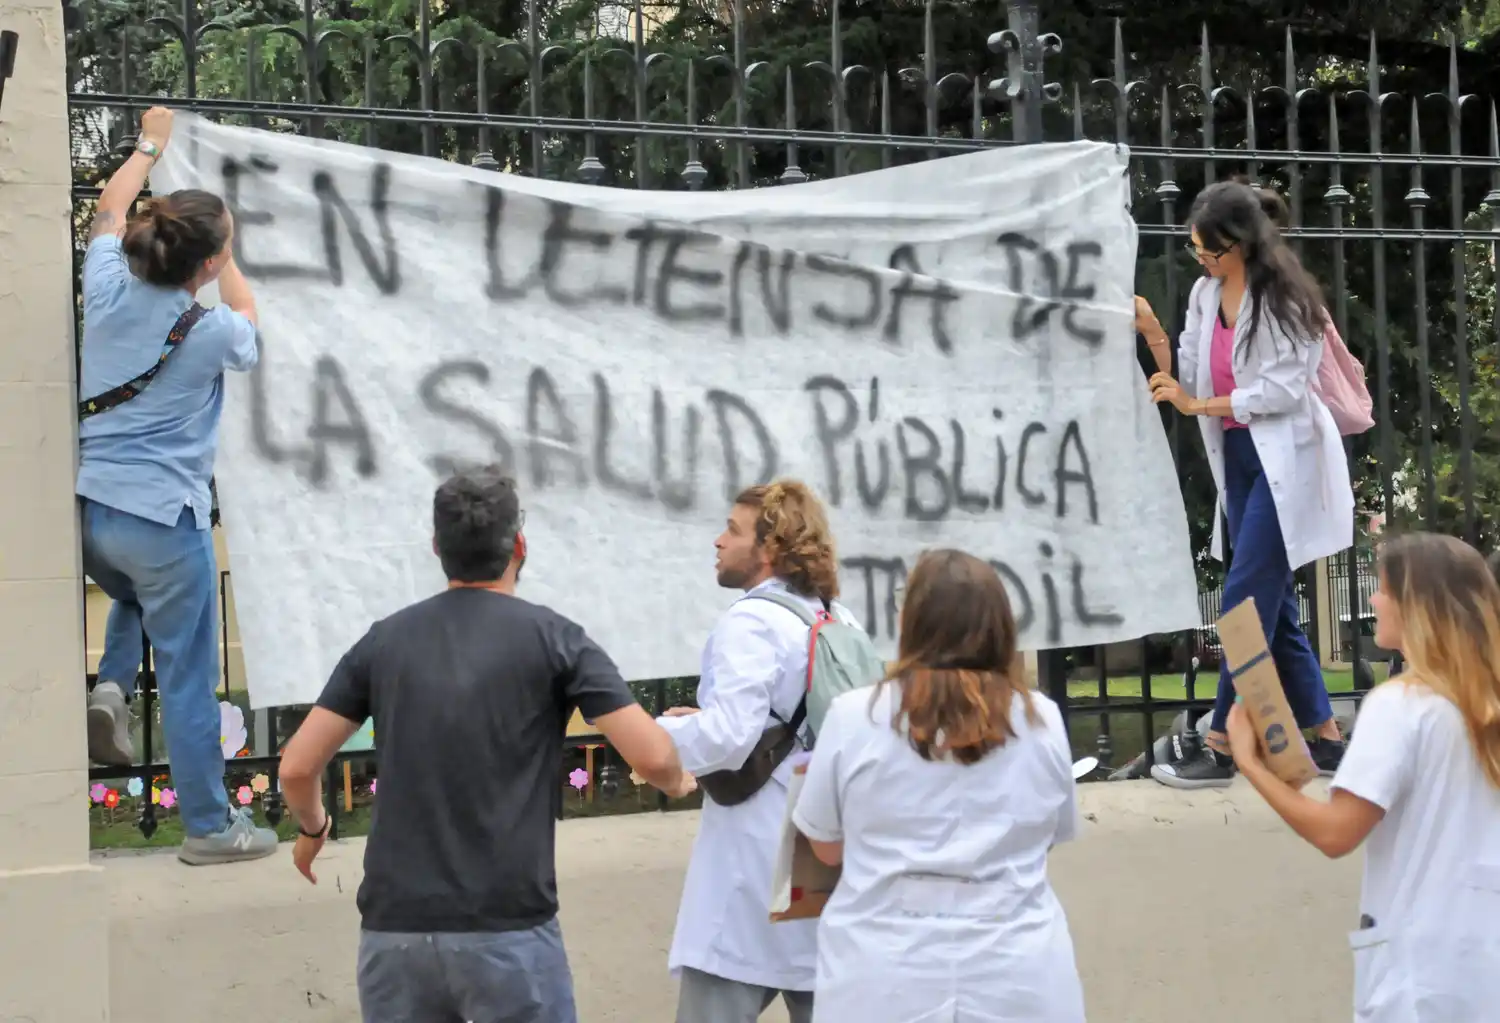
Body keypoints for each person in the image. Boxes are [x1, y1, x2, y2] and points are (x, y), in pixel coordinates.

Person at [278, 468, 695, 1023]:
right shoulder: (557, 639)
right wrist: (680, 780)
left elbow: (298, 767)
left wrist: (313, 829)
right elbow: (653, 756)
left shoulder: (384, 641)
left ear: (437, 548)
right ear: (519, 545)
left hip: (394, 932)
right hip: (509, 929)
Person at [78, 105, 272, 863]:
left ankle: (110, 686)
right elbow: (250, 315)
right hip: (166, 520)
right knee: (191, 679)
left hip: (94, 515)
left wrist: (151, 142)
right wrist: (225, 266)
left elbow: (107, 208)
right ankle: (209, 828)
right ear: (204, 264)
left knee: (132, 591)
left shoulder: (105, 285)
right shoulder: (211, 328)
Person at [791, 549, 1084, 1023]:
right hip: (1016, 973)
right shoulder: (1042, 718)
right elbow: (1049, 834)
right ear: (999, 626)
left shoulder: (853, 716)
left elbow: (824, 847)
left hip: (882, 974)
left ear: (912, 623)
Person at [1226, 532, 1500, 1022]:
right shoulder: (1483, 708)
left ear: (1417, 607)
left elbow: (1336, 833)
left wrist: (1249, 763)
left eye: (1384, 589)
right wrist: (1292, 786)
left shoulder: (1400, 706)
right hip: (1480, 963)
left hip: (1419, 973)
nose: (1374, 599)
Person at [1135, 179, 1354, 789]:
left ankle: (1221, 742)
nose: (1202, 260)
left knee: (1243, 600)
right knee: (1272, 605)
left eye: (1211, 251)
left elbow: (1283, 393)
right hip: (1238, 455)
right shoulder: (1207, 296)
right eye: (1195, 250)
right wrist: (1153, 333)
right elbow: (1186, 365)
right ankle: (1328, 739)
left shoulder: (1287, 300)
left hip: (1289, 460)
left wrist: (1200, 405)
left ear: (1242, 244)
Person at [659, 480, 862, 1023]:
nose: (718, 541)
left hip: (755, 853)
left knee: (722, 986)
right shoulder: (839, 619)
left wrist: (655, 734)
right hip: (822, 844)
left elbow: (729, 737)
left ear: (770, 548)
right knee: (821, 987)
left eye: (733, 529)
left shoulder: (750, 621)